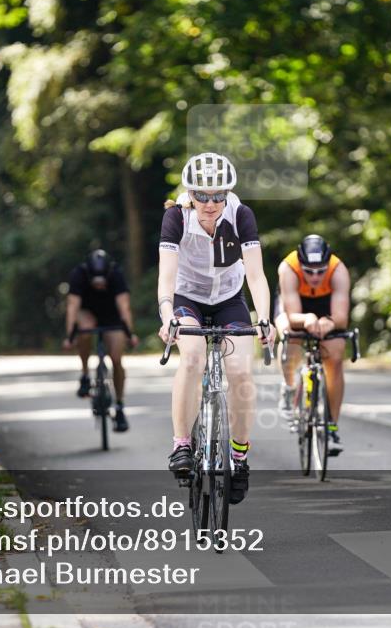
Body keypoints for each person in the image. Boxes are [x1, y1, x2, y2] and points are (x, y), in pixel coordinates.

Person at [158, 152, 275, 504]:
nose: (210, 204)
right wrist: (168, 317)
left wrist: (265, 319)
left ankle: (239, 457)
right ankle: (182, 445)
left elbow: (255, 274)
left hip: (228, 297)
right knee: (192, 358)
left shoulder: (241, 216)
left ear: (227, 194)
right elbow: (166, 278)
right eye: (202, 196)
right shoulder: (175, 217)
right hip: (187, 298)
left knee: (240, 371)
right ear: (190, 193)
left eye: (218, 196)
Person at [274, 235, 351, 454]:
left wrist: (330, 321)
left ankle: (331, 428)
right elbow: (291, 314)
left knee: (335, 357)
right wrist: (306, 319)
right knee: (290, 334)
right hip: (295, 307)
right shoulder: (288, 268)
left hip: (326, 306)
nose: (315, 276)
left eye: (320, 270)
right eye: (309, 270)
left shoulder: (338, 270)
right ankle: (289, 387)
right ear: (301, 264)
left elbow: (341, 317)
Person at [62, 249, 139, 432]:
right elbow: (73, 306)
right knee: (86, 328)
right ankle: (85, 374)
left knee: (117, 359)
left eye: (102, 282)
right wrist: (70, 336)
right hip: (87, 312)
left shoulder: (116, 274)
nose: (99, 286)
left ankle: (119, 406)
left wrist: (130, 334)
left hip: (111, 315)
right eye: (95, 282)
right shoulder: (79, 274)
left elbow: (124, 307)